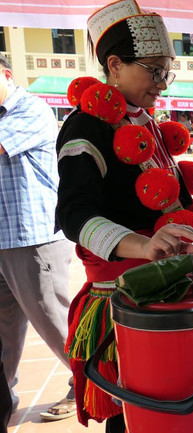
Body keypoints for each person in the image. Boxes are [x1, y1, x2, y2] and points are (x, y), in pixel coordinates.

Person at [56, 1, 193, 430]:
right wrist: (144, 245)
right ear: (115, 65)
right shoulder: (86, 126)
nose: (162, 83)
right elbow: (74, 215)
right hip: (123, 298)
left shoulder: (145, 122)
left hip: (161, 289)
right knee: (133, 413)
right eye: (154, 71)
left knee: (164, 406)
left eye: (167, 72)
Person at [0, 53, 76, 422]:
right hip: (3, 237)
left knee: (54, 320)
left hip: (33, 237)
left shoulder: (30, 109)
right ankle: (4, 395)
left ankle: (90, 383)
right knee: (4, 329)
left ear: (6, 74)